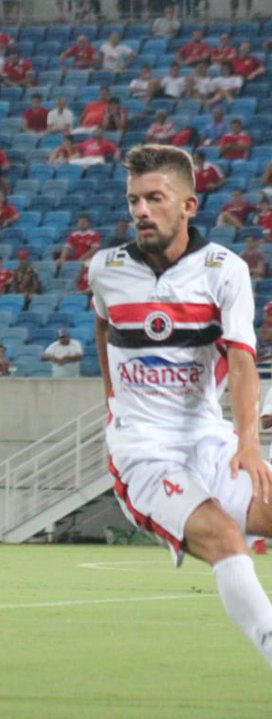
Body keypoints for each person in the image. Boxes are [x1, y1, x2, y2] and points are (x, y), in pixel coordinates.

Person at [89, 143, 272, 669]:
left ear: (188, 205)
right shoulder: (107, 269)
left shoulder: (223, 270)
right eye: (134, 201)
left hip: (207, 439)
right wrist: (113, 400)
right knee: (224, 535)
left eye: (155, 198)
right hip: (143, 453)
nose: (141, 211)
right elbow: (103, 324)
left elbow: (240, 360)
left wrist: (247, 445)